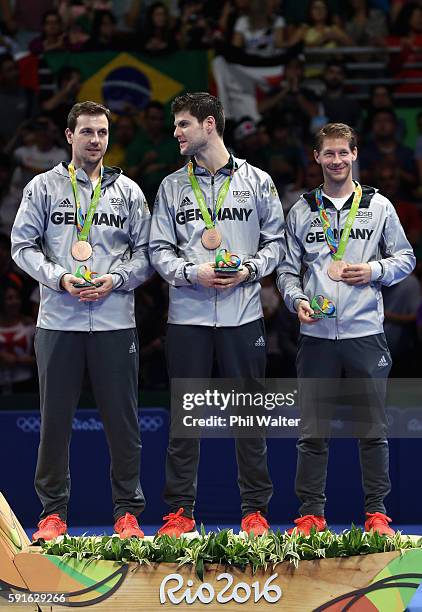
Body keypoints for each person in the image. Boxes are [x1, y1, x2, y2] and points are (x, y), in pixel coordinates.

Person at [11, 101, 152, 542]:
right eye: (87, 132)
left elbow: (148, 254)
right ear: (69, 136)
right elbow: (22, 246)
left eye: (103, 133)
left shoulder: (128, 191)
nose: (96, 141)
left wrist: (116, 278)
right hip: (58, 321)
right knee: (54, 422)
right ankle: (52, 515)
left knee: (123, 423)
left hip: (114, 322)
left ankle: (128, 514)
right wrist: (60, 277)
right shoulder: (42, 188)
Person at [149, 92, 284, 537]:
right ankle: (180, 513)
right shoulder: (171, 186)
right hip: (187, 317)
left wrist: (247, 270)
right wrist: (192, 273)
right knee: (185, 416)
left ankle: (255, 512)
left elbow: (276, 245)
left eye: (183, 124)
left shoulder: (258, 181)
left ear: (209, 125)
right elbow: (157, 251)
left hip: (242, 315)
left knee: (249, 415)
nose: (176, 133)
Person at [277, 122, 415, 536]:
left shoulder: (379, 207)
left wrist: (372, 270)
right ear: (316, 158)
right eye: (328, 154)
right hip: (317, 338)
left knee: (373, 431)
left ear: (355, 155)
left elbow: (405, 259)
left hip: (366, 335)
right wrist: (297, 301)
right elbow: (286, 271)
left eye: (343, 153)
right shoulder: (301, 210)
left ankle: (376, 513)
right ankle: (311, 515)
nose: (336, 160)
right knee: (311, 433)